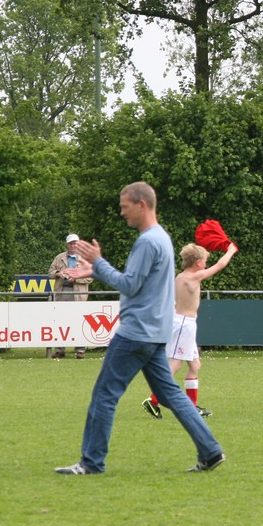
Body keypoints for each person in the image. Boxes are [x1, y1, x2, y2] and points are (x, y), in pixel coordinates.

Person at [54, 181, 225, 474]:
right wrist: (96, 269)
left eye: (125, 206)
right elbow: (140, 283)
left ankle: (91, 463)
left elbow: (130, 285)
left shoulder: (147, 242)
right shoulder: (162, 238)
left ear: (141, 204)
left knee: (104, 395)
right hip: (155, 332)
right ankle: (211, 452)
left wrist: (98, 263)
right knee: (171, 395)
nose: (122, 212)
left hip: (135, 332)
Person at [143, 241, 239, 420]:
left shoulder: (180, 277)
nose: (206, 264)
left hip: (184, 324)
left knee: (195, 365)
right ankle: (153, 400)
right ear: (198, 263)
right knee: (175, 364)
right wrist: (231, 250)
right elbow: (220, 265)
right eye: (204, 261)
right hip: (184, 325)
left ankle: (191, 407)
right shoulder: (192, 277)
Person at [47, 233, 94, 359]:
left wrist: (76, 278)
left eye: (75, 243)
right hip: (62, 292)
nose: (73, 245)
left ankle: (80, 350)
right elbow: (50, 272)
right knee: (60, 321)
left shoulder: (85, 258)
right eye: (71, 243)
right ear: (67, 244)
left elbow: (90, 277)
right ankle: (59, 350)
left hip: (79, 294)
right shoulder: (59, 257)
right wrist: (59, 273)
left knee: (80, 321)